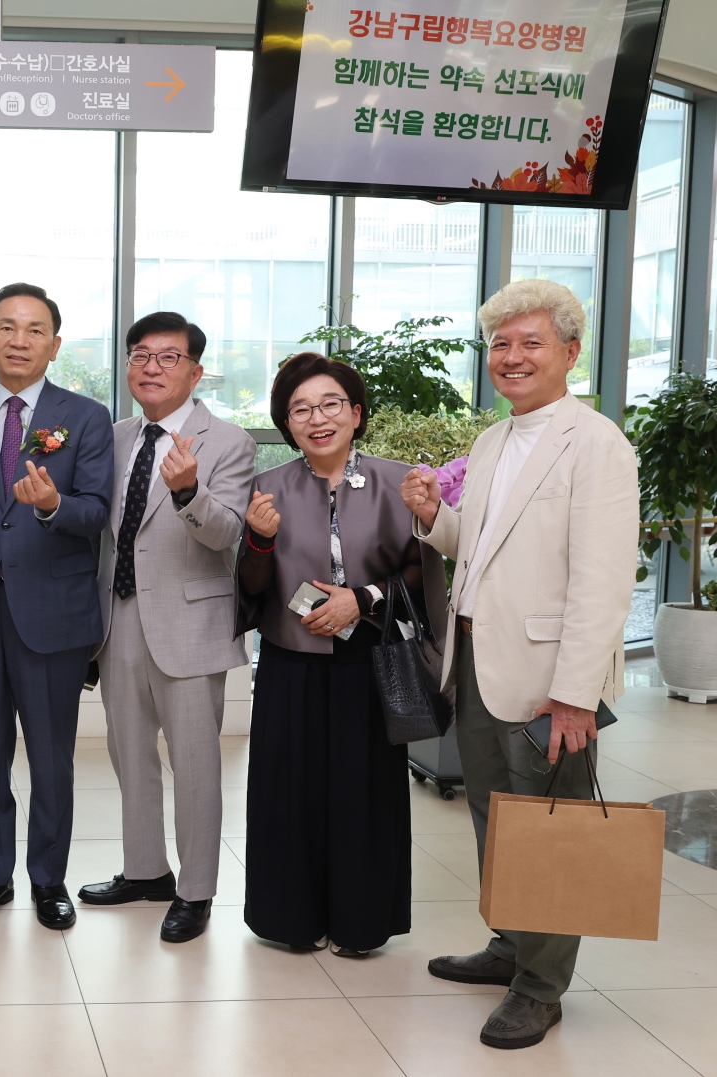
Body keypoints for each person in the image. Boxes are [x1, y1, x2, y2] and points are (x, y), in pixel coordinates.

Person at [400, 279, 639, 1050]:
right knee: (496, 815)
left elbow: (603, 581)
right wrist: (437, 518)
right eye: (501, 344)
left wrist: (574, 696)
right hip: (477, 658)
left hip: (546, 679)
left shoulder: (596, 442)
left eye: (531, 342)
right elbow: (480, 546)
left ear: (571, 352)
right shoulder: (496, 439)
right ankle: (509, 943)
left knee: (549, 826)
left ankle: (541, 986)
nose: (512, 357)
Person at [236, 352, 445, 959]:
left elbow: (419, 567)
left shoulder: (397, 481)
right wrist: (258, 539)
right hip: (289, 661)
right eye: (300, 409)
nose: (316, 418)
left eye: (330, 405)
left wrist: (363, 598)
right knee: (287, 791)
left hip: (368, 661)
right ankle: (290, 917)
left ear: (355, 413)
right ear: (287, 424)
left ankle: (360, 921)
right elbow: (252, 586)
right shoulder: (269, 487)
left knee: (364, 793)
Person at [0, 282, 115, 931]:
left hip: (53, 612)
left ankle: (47, 877)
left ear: (55, 345)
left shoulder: (86, 417)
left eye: (34, 329)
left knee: (51, 756)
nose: (19, 339)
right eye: (6, 326)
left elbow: (95, 511)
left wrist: (50, 505)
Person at [77, 312, 256, 944]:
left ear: (195, 370)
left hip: (191, 622)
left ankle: (197, 889)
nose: (151, 367)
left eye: (168, 357)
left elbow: (230, 533)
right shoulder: (115, 434)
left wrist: (188, 494)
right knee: (128, 756)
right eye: (140, 355)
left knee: (196, 765)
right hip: (118, 617)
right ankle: (145, 869)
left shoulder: (228, 441)